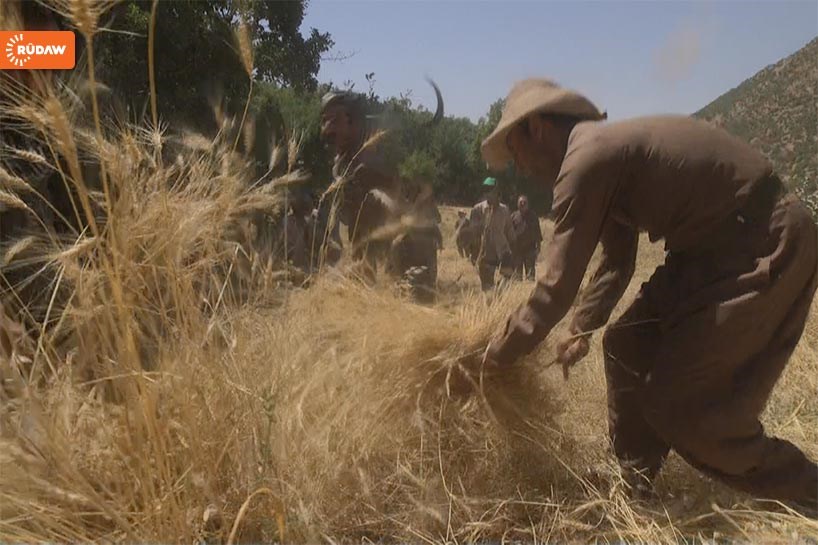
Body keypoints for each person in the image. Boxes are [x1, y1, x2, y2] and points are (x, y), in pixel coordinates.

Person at [480, 78, 818, 512]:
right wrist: (582, 326)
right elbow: (618, 260)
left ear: (538, 128)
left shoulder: (586, 160)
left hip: (760, 241)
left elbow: (554, 288)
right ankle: (634, 481)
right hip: (710, 250)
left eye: (515, 151)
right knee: (626, 344)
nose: (519, 167)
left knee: (677, 406)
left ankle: (805, 488)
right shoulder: (603, 155)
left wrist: (492, 357)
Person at [319, 90, 441, 300]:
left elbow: (398, 180)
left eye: (335, 120)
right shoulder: (342, 160)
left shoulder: (379, 140)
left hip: (403, 222)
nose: (327, 129)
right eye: (325, 121)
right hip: (365, 229)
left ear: (351, 120)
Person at [470, 177, 516, 291]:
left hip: (503, 251)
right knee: (487, 288)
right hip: (486, 253)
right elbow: (473, 234)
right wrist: (474, 252)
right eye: (486, 190)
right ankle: (491, 304)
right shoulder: (478, 210)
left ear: (497, 192)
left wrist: (514, 250)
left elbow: (510, 232)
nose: (488, 193)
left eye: (491, 190)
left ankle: (499, 295)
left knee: (507, 280)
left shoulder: (505, 210)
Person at [511, 195, 543, 280]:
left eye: (524, 202)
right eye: (520, 202)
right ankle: (518, 292)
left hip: (530, 250)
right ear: (517, 204)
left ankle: (529, 291)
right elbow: (509, 233)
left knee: (530, 275)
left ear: (528, 204)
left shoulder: (533, 217)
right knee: (517, 276)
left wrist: (538, 248)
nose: (522, 204)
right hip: (517, 250)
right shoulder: (513, 216)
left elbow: (538, 233)